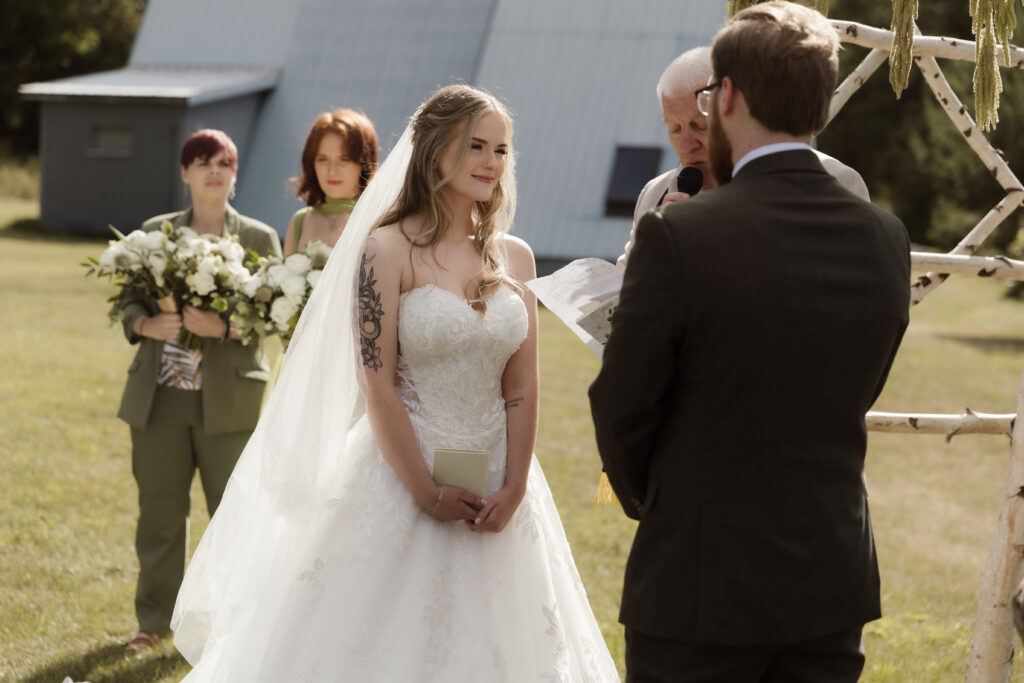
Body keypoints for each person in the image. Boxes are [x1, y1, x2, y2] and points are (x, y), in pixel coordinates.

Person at [171, 85, 618, 681]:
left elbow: (522, 386)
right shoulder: (387, 248)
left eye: (502, 150)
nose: (491, 162)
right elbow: (375, 382)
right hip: (402, 472)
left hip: (501, 482)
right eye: (476, 146)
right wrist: (425, 491)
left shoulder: (516, 257)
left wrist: (513, 486)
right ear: (434, 150)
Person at [589, 3, 910, 681]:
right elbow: (861, 385)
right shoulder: (886, 237)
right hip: (830, 578)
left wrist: (661, 497)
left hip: (700, 582)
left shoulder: (679, 233)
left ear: (726, 95)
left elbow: (622, 402)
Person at [115, 129, 282, 652]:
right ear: (184, 173)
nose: (214, 171)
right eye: (202, 162)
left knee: (233, 518)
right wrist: (146, 325)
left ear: (235, 174)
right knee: (160, 515)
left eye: (223, 163)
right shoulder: (153, 233)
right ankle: (152, 623)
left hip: (229, 403)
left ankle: (233, 630)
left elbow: (274, 314)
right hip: (160, 399)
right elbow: (128, 302)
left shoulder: (259, 238)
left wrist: (224, 328)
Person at [617, 45, 871, 268]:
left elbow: (851, 293)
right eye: (674, 128)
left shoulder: (833, 184)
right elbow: (624, 292)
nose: (685, 145)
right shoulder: (655, 195)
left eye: (700, 126)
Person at [283, 108, 379, 256]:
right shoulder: (299, 221)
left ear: (364, 163)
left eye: (344, 159)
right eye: (323, 159)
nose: (332, 171)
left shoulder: (379, 219)